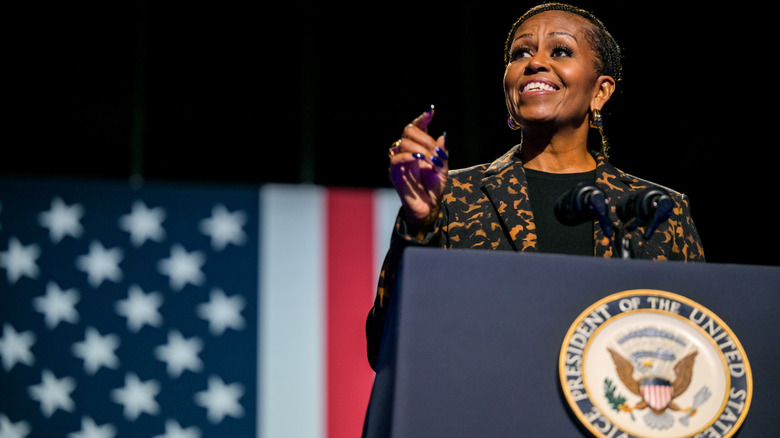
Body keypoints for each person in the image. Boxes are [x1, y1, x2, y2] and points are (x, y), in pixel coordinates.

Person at [365, 2, 705, 371]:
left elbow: (700, 344)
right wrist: (418, 225)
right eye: (521, 53)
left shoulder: (658, 209)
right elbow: (385, 346)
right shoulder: (454, 197)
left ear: (600, 91)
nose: (535, 62)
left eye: (560, 51)